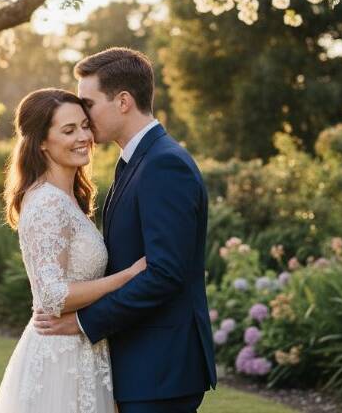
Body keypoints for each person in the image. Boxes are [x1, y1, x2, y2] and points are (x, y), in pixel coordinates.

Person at [34, 48, 217, 413]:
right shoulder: (134, 162)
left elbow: (165, 274)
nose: (84, 115)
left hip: (160, 368)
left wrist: (85, 322)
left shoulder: (164, 164)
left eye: (89, 103)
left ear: (123, 101)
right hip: (139, 364)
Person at [0, 88, 147, 413]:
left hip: (82, 349)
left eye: (84, 126)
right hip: (60, 359)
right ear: (42, 142)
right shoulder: (48, 202)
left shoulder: (67, 200)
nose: (84, 137)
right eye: (68, 130)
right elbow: (52, 296)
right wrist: (126, 277)